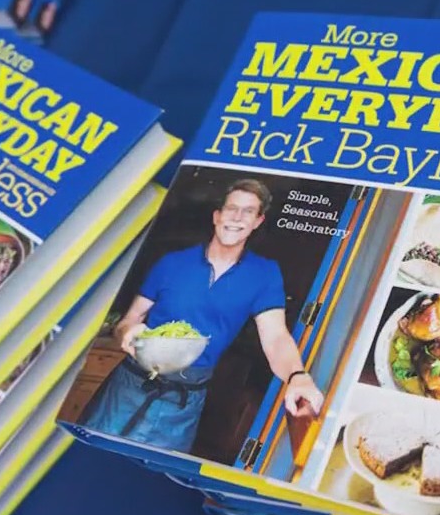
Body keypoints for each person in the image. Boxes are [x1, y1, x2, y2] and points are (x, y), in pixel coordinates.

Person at [86, 179, 325, 454]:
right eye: (231, 208)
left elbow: (275, 338)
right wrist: (128, 332)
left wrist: (297, 375)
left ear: (258, 221)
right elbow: (129, 320)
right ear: (217, 216)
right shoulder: (171, 263)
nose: (236, 217)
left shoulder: (264, 274)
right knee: (92, 455)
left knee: (152, 474)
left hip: (185, 402)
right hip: (130, 385)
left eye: (247, 211)